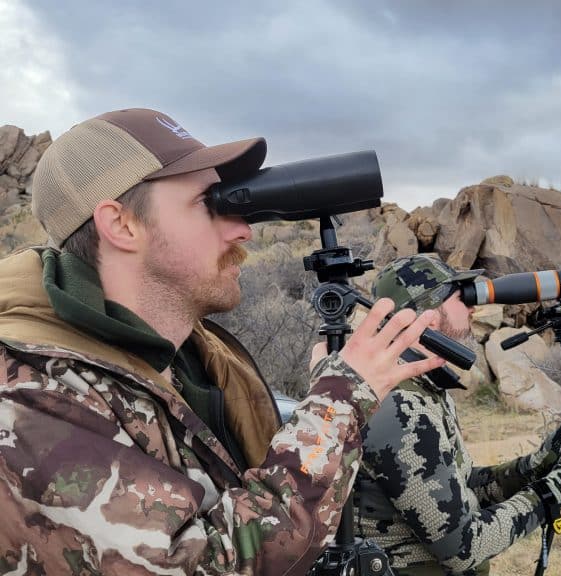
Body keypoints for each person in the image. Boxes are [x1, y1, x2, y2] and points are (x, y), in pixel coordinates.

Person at [0, 108, 445, 574]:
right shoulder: (30, 398)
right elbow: (197, 564)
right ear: (122, 225)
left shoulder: (193, 360)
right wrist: (340, 403)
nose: (243, 229)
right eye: (209, 202)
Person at [353, 254, 561, 575]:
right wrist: (550, 494)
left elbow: (465, 485)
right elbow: (463, 547)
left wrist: (535, 466)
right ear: (428, 317)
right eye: (461, 298)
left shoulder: (424, 388)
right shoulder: (400, 404)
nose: (472, 308)